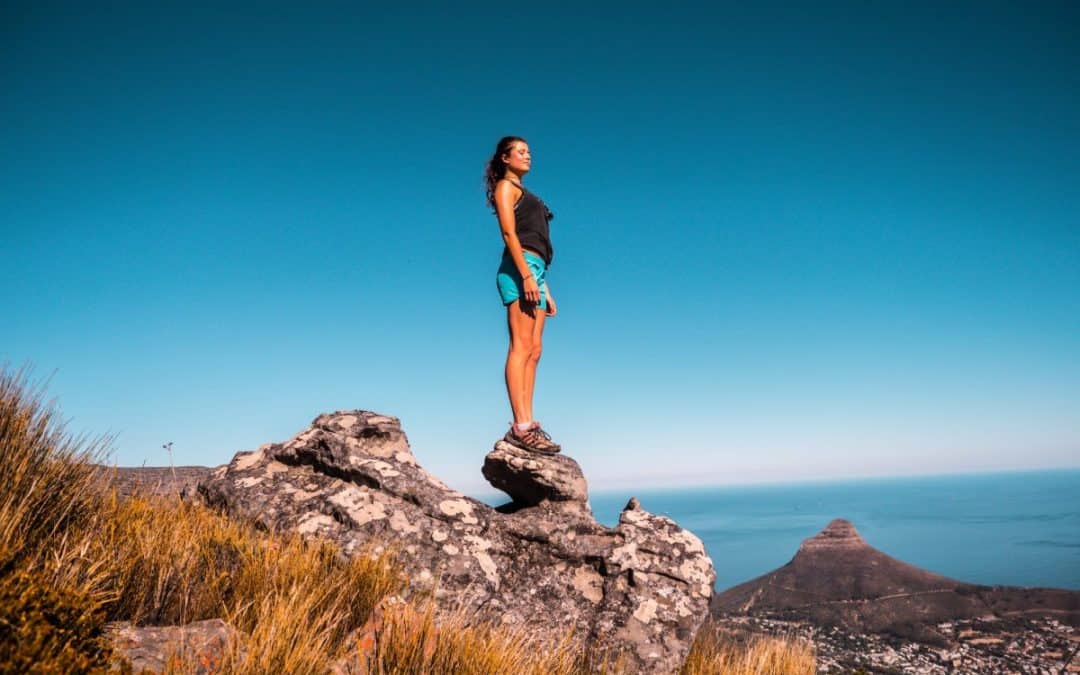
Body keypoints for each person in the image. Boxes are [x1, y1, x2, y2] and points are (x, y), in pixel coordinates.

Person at [485, 136, 561, 454]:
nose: (527, 155)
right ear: (505, 158)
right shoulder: (506, 187)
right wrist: (528, 276)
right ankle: (520, 427)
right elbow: (509, 233)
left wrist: (544, 287)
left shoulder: (528, 193)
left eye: (529, 151)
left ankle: (530, 422)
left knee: (535, 350)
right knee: (520, 346)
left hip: (536, 271)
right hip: (521, 268)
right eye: (520, 152)